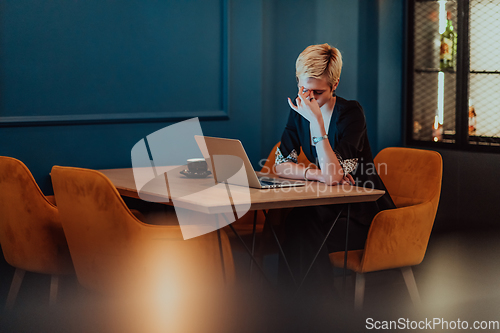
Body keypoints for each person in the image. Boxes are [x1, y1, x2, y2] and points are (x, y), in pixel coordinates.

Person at [274, 43, 395, 293]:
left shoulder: (351, 114)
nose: (308, 98)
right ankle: (296, 308)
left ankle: (312, 310)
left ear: (335, 85)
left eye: (316, 93)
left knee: (303, 227)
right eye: (302, 88)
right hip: (328, 204)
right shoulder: (299, 110)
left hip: (363, 212)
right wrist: (315, 174)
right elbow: (281, 165)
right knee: (296, 220)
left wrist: (317, 121)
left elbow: (334, 175)